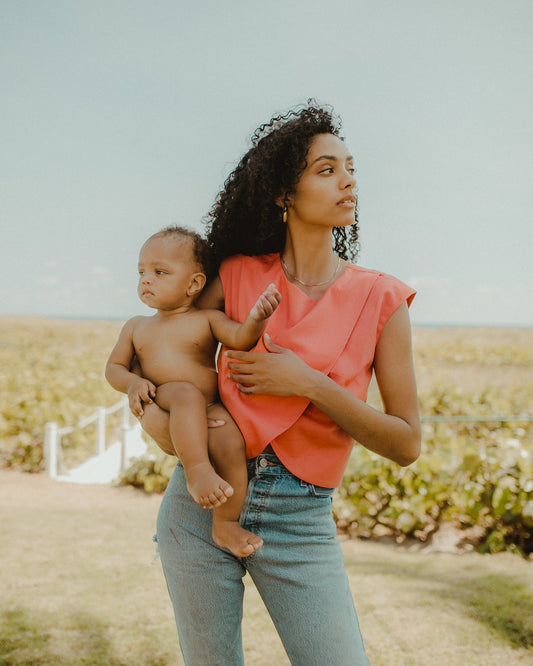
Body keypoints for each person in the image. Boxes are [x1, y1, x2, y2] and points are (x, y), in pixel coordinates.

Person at [141, 102, 421, 665]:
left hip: (301, 517)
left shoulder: (383, 297)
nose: (347, 179)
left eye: (350, 167)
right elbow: (166, 358)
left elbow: (406, 444)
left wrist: (307, 382)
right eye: (326, 169)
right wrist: (161, 419)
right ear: (282, 194)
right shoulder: (236, 274)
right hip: (201, 504)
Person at [105, 226, 281, 557]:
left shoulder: (208, 319)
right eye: (142, 271)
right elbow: (113, 368)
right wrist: (133, 383)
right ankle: (197, 471)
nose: (146, 280)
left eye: (160, 272)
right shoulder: (136, 326)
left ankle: (225, 523)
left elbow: (241, 337)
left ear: (194, 284)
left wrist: (258, 318)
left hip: (209, 406)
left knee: (232, 443)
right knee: (185, 394)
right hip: (167, 397)